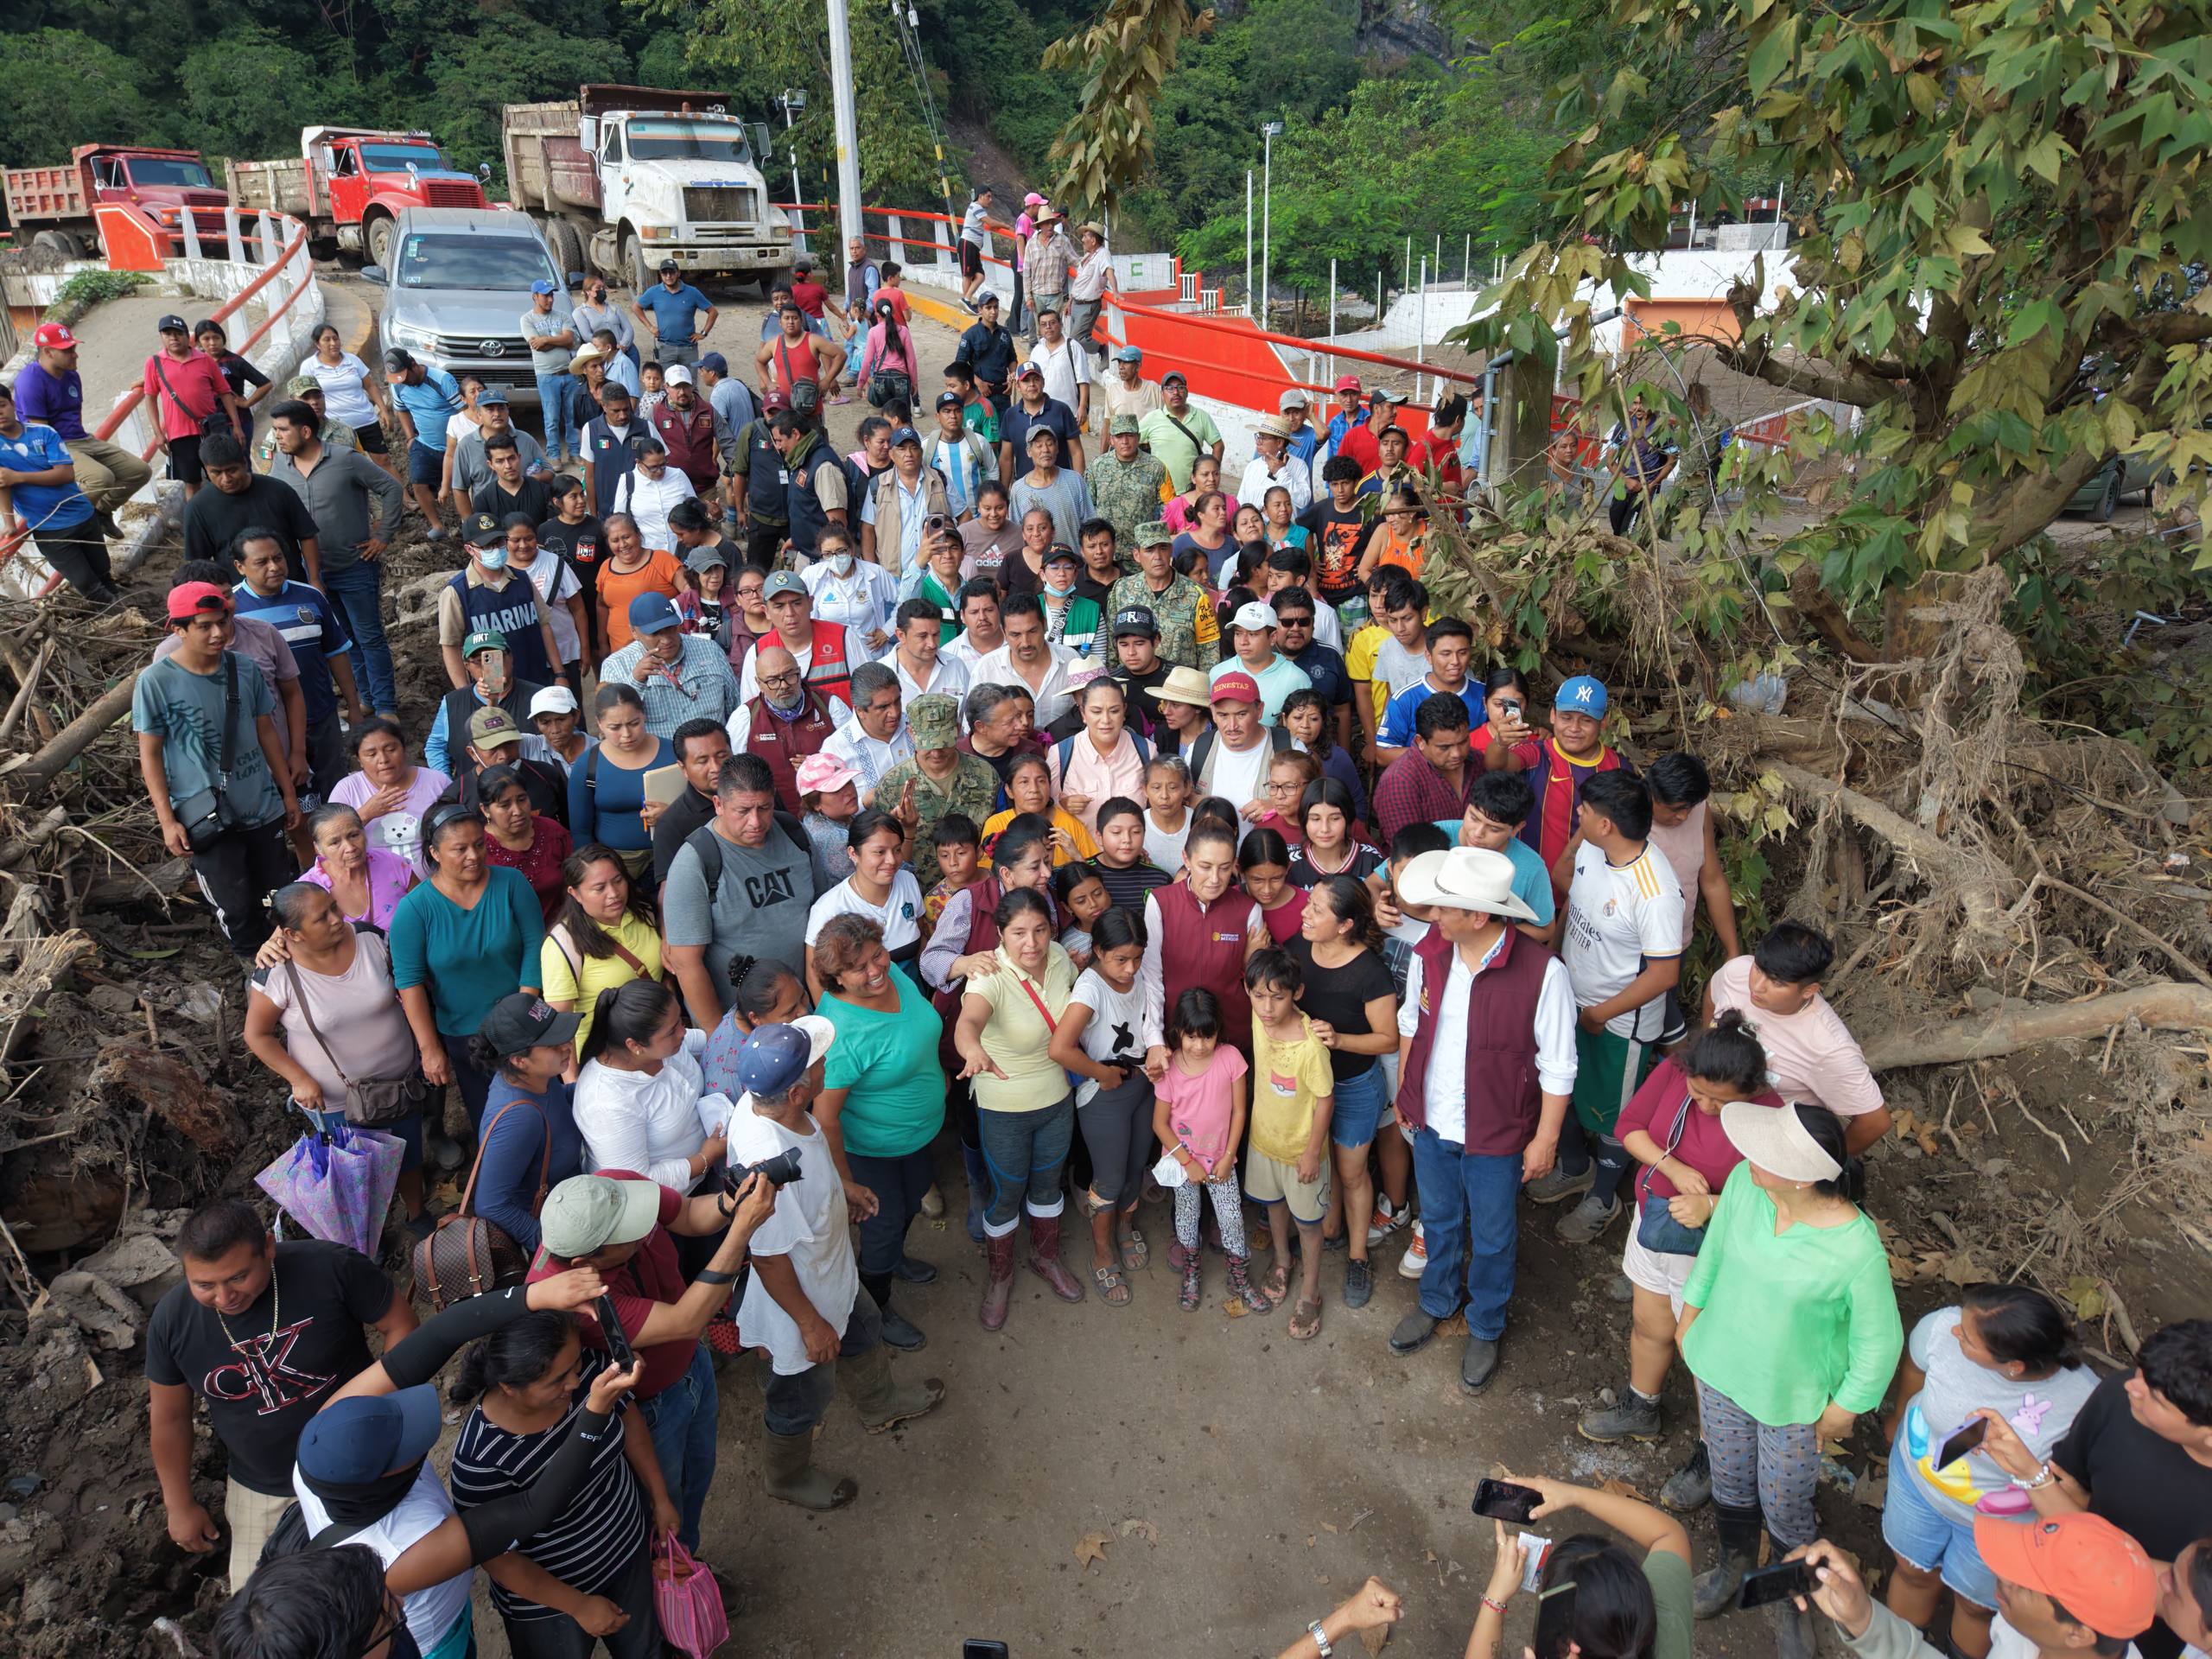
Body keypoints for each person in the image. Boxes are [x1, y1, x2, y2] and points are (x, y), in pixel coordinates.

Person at [1676, 1102, 1901, 1656]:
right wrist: (1689, 1316)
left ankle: (1788, 1595)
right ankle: (1731, 1568)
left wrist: (1846, 1407)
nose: (1749, 1157)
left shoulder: (1857, 1248)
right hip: (1722, 1370)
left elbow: (1881, 1342)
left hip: (1792, 1397)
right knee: (1730, 1479)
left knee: (1784, 1501)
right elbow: (1716, 1252)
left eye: (1766, 1154)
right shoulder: (1746, 1186)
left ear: (1804, 1175)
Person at [727, 1021, 948, 1506]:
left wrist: (839, 1189)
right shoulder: (769, 1166)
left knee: (863, 1324)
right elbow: (767, 1257)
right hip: (799, 1297)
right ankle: (785, 1476)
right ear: (798, 1090)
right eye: (820, 1061)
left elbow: (812, 1159)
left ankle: (880, 1404)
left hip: (831, 1270)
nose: (829, 1062)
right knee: (799, 1392)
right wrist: (809, 1323)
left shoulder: (763, 1101)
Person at [146, 1198, 417, 1592]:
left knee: (392, 1585)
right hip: (262, 1488)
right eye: (205, 1285)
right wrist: (179, 1504)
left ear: (268, 1250)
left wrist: (385, 1413)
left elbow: (401, 1326)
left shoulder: (329, 1268)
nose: (224, 1297)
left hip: (362, 1463)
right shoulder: (171, 1322)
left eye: (238, 1277)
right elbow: (169, 1419)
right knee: (259, 1610)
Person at [1387, 845, 1576, 1394]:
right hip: (1435, 1122)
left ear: (1478, 916)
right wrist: (1407, 1088)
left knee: (1493, 1236)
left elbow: (1559, 1065)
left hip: (1498, 1131)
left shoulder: (1544, 973)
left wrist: (1545, 1139)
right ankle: (1437, 1300)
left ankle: (1486, 1323)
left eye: (1445, 907)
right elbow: (1411, 1022)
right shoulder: (1429, 953)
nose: (1432, 915)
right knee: (1439, 1218)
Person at [527, 1169, 776, 1554]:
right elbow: (686, 1320)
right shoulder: (577, 1305)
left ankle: (688, 1559)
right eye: (629, 1232)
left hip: (692, 1361)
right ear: (583, 1263)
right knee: (664, 1504)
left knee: (698, 1476)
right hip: (652, 1406)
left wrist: (733, 1202)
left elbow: (689, 1213)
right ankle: (677, 1580)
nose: (645, 1227)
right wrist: (741, 1231)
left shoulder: (610, 1191)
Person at [1573, 1012, 1783, 1442]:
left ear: (1753, 1089)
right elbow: (1629, 1127)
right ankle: (1641, 1406)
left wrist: (1712, 1204)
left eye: (1722, 1103)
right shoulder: (1674, 1069)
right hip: (1656, 1221)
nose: (1707, 1107)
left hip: (1716, 1247)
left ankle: (1715, 1451)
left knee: (1707, 1350)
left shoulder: (1772, 1114)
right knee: (1650, 1324)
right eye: (1698, 1094)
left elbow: (1778, 1199)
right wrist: (1672, 1165)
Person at [1878, 1285, 2102, 1659]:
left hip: (1998, 1525)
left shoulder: (2085, 1403)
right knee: (1912, 1571)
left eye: (1967, 1338)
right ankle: (1896, 1650)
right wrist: (1900, 1416)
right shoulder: (1941, 1328)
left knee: (1977, 1606)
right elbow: (1915, 1368)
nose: (1955, 1331)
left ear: (2013, 1365)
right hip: (1919, 1488)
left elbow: (2080, 1490)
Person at [1974, 1318, 2212, 1659]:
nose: (2134, 1386)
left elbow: (2151, 1585)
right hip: (2061, 1610)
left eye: (2157, 1398)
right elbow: (2073, 1486)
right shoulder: (2121, 1399)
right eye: (2139, 1371)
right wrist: (2032, 1473)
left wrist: (2077, 1506)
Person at [447, 1310, 669, 1659]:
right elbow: (499, 1558)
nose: (575, 1383)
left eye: (576, 1366)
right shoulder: (480, 1460)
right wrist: (578, 1606)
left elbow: (630, 1422)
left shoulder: (589, 1373)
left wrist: (660, 1497)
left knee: (646, 1650)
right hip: (550, 1606)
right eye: (557, 1380)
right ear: (509, 1387)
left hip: (628, 1556)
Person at [1541, 770, 1686, 1243]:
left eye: (1585, 811)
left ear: (1608, 825)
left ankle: (1604, 1196)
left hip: (1619, 1022)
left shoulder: (1654, 891)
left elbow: (1663, 975)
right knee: (1560, 1084)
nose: (1577, 814)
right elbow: (1571, 891)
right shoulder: (1593, 844)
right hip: (1571, 996)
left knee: (1614, 1112)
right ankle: (1575, 1167)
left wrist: (1600, 1015)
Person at [246, 882, 433, 1222]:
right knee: (354, 1174)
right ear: (292, 934)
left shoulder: (370, 939)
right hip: (336, 1102)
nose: (337, 918)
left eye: (334, 907)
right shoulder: (276, 972)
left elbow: (411, 984)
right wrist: (298, 1079)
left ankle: (417, 1215)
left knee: (408, 1154)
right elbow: (257, 1035)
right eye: (323, 917)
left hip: (400, 1083)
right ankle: (366, 1236)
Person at [134, 582, 301, 958]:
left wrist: (286, 792)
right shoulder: (156, 682)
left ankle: (294, 970)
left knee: (278, 896)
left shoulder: (244, 669)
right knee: (236, 905)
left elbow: (266, 731)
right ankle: (253, 969)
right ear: (178, 630)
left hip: (260, 803)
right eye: (204, 625)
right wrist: (166, 820)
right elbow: (151, 756)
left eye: (222, 622)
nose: (218, 633)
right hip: (205, 818)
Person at [952, 885, 1090, 1325]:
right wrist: (971, 1048)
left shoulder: (1061, 960)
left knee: (1048, 1185)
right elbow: (969, 1020)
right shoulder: (988, 975)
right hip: (1005, 1106)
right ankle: (1000, 1275)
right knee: (1008, 1193)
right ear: (1000, 935)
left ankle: (1045, 1259)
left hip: (1056, 1099)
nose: (1031, 943)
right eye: (1018, 933)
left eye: (1040, 930)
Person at [810, 912, 945, 1348]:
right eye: (859, 967)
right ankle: (875, 1304)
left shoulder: (893, 981)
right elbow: (826, 1116)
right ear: (836, 980)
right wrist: (845, 1182)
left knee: (910, 1202)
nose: (875, 970)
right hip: (874, 1148)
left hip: (918, 1132)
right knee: (882, 1226)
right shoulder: (842, 1032)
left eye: (878, 955)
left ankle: (892, 1261)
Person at [390, 805, 547, 1133]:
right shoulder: (414, 909)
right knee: (494, 1124)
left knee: (546, 1108)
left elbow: (535, 945)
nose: (473, 855)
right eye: (459, 849)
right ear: (434, 852)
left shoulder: (511, 883)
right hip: (467, 1035)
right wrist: (430, 1048)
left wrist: (524, 1010)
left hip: (526, 1021)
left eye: (479, 844)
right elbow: (410, 984)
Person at [1284, 874, 1398, 1309]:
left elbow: (1388, 1038)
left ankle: (1357, 1254)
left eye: (1316, 909)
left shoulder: (1370, 972)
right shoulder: (1298, 947)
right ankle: (1328, 1230)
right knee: (1321, 1160)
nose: (1304, 913)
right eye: (1308, 904)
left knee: (1352, 1172)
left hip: (1352, 1085)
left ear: (1346, 924)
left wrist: (1341, 1040)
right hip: (1308, 1087)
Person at [1702, 922, 1895, 1155]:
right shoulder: (1737, 971)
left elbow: (1875, 1122)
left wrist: (1821, 1169)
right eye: (1759, 969)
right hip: (1709, 1108)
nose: (1757, 986)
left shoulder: (1829, 1049)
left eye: (1777, 982)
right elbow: (1713, 994)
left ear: (1808, 990)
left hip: (1767, 1144)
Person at [1046, 905, 1153, 1303]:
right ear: (1099, 951)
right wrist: (1101, 1073)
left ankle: (1125, 1227)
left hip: (1142, 1084)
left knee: (1136, 1164)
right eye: (1121, 959)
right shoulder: (1091, 986)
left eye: (1137, 957)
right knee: (1108, 1178)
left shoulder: (1139, 973)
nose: (1130, 968)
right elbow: (1060, 1048)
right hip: (1105, 1092)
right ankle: (1103, 1253)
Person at [1465, 1474, 1696, 1659]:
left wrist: (1495, 1598)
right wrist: (1575, 1496)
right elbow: (1669, 1534)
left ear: (1569, 1646)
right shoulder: (1669, 1623)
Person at [663, 753, 820, 1023]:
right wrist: (718, 1037)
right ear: (718, 805)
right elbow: (686, 963)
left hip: (806, 1006)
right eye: (743, 811)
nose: (756, 822)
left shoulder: (794, 833)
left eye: (764, 808)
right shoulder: (696, 861)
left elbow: (823, 912)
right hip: (742, 1022)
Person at [266, 399, 402, 711]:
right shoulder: (278, 467)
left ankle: (386, 707)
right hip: (308, 574)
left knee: (370, 638)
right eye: (275, 430)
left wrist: (382, 537)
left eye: (282, 430)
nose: (278, 437)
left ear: (305, 430)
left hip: (355, 566)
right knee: (342, 640)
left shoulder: (346, 459)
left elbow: (392, 488)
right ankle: (365, 698)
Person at [1153, 987, 1271, 1313]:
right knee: (1187, 1218)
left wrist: (1228, 1156)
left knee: (1232, 1219)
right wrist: (1187, 1162)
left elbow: (1239, 1111)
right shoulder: (1170, 1069)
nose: (1199, 1045)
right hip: (1184, 1164)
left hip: (1221, 1161)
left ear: (1219, 1030)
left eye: (1207, 1037)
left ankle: (1239, 1277)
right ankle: (1191, 1270)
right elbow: (1160, 1124)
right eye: (1191, 1037)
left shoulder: (1230, 1058)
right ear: (1178, 1032)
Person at [1243, 949, 1338, 1339]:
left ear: (1296, 993)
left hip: (1302, 1153)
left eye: (1278, 996)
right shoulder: (1258, 1015)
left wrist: (1313, 1152)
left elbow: (1325, 1100)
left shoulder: (1312, 1047)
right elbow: (1254, 972)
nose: (1266, 1007)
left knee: (1309, 1224)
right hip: (1263, 1141)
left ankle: (1310, 1292)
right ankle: (1282, 1260)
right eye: (1259, 995)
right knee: (1274, 1206)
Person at [464, 995, 587, 1256]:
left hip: (578, 1200)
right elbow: (491, 1204)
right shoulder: (518, 1118)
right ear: (520, 1060)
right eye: (554, 1044)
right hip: (562, 1230)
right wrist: (552, 1246)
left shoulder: (536, 1077)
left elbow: (558, 1102)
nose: (567, 1046)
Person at [1141, 817, 1268, 1062]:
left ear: (1234, 865)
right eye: (1205, 866)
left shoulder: (1249, 910)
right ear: (1186, 860)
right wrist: (1155, 1039)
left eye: (1224, 867)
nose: (1215, 878)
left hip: (1233, 1038)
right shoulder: (1160, 902)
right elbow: (1151, 977)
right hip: (1177, 1036)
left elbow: (1258, 981)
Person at [14, 321, 151, 521]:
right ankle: (65, 520)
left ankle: (101, 512)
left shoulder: (71, 375)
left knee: (139, 471)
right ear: (48, 352)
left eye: (74, 348)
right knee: (100, 478)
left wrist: (88, 445)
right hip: (55, 443)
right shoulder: (30, 381)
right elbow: (39, 433)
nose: (75, 354)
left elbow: (75, 414)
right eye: (67, 350)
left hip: (82, 438)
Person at [0, 378, 116, 601]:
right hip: (49, 528)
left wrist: (19, 477)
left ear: (12, 404)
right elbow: (3, 484)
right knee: (86, 583)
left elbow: (65, 474)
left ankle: (126, 617)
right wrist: (9, 524)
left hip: (82, 514)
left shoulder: (44, 433)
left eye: (2, 405)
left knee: (103, 574)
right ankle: (123, 615)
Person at [1521, 673, 1631, 892]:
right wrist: (1500, 742)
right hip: (1530, 891)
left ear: (1604, 722)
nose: (1574, 728)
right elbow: (1499, 763)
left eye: (1586, 720)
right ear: (1552, 715)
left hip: (1589, 893)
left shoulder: (1620, 768)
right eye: (1566, 717)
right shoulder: (1537, 753)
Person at [596, 590, 743, 741]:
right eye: (655, 633)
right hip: (660, 762)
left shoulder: (710, 650)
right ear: (634, 632)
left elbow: (735, 706)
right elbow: (614, 729)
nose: (666, 640)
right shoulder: (616, 666)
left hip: (714, 754)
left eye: (671, 629)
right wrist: (635, 682)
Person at [805, 810, 925, 994]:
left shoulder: (908, 881)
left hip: (915, 1000)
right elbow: (815, 978)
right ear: (853, 853)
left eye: (897, 850)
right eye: (879, 852)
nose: (892, 860)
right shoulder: (828, 909)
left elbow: (921, 939)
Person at [181, 432, 321, 586]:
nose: (226, 479)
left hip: (292, 586)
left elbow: (307, 536)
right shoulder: (198, 507)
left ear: (244, 463)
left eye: (232, 470)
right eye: (216, 472)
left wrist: (314, 580)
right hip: (239, 598)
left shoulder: (279, 491)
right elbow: (199, 563)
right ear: (206, 470)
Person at [567, 683, 675, 875]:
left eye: (634, 723)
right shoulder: (588, 764)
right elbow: (580, 830)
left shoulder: (674, 753)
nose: (626, 735)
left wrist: (673, 814)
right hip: (616, 866)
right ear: (599, 724)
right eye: (615, 727)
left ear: (644, 715)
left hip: (672, 855)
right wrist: (592, 872)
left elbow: (703, 805)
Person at [331, 718, 449, 876]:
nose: (383, 760)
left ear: (404, 748)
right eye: (371, 754)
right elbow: (328, 842)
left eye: (391, 749)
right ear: (359, 760)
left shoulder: (437, 782)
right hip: (372, 890)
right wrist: (366, 814)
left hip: (436, 885)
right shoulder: (347, 789)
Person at [143, 312, 245, 496]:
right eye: (168, 334)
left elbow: (225, 392)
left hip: (212, 428)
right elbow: (149, 398)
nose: (173, 338)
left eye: (178, 333)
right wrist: (158, 433)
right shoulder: (154, 363)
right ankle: (198, 522)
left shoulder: (205, 359)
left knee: (225, 475)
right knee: (192, 483)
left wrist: (236, 426)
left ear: (186, 335)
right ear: (161, 337)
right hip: (179, 434)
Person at [1373, 692, 1481, 849]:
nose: (1457, 753)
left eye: (1463, 742)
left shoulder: (1477, 761)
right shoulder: (1399, 781)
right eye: (1444, 747)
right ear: (1420, 741)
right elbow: (1408, 853)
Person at [1047, 676, 1149, 836]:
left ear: (1124, 711)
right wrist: (1062, 804)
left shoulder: (1146, 751)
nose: (1106, 720)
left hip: (1132, 856)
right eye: (1096, 711)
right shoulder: (1060, 754)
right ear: (1083, 713)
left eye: (1114, 711)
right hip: (1078, 857)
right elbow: (1047, 810)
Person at [1375, 618, 1481, 763]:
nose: (1455, 661)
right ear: (1429, 656)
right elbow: (1382, 753)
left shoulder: (1486, 695)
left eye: (1462, 653)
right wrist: (1432, 755)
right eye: (1446, 654)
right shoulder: (1405, 699)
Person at [298, 802, 414, 931]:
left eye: (354, 835)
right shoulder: (306, 889)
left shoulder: (392, 863)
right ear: (318, 848)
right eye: (335, 842)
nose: (350, 848)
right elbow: (284, 938)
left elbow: (429, 907)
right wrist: (272, 944)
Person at [302, 321, 393, 470]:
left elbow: (370, 385)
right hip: (336, 428)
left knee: (383, 461)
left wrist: (383, 410)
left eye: (335, 338)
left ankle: (401, 494)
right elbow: (304, 396)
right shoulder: (309, 366)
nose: (333, 343)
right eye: (327, 340)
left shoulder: (353, 360)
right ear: (317, 344)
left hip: (366, 420)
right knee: (345, 467)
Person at [982, 751, 1099, 867]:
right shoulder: (996, 825)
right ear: (1009, 791)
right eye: (1024, 782)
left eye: (1041, 781)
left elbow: (1095, 869)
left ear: (1049, 786)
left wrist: (1077, 856)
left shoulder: (1069, 825)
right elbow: (988, 875)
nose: (1034, 789)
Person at [1209, 600, 1313, 724]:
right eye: (1238, 633)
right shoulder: (1218, 673)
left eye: (1252, 634)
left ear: (1273, 637)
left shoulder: (1297, 679)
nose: (1243, 641)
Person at [1086, 413, 1169, 554]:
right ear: (1111, 440)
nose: (1125, 441)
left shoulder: (1156, 468)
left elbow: (1167, 509)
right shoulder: (1097, 466)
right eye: (1119, 436)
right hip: (1105, 552)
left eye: (1130, 435)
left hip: (1142, 550)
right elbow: (1088, 506)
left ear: (1138, 437)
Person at [999, 359, 1084, 484]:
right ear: (1017, 385)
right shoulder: (1010, 415)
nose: (1032, 384)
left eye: (1036, 379)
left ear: (1043, 382)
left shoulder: (1061, 410)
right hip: (1026, 491)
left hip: (1061, 487)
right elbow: (1006, 458)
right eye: (1026, 381)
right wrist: (1004, 493)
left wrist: (1079, 486)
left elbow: (1076, 452)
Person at [1140, 371, 1225, 492]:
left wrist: (1211, 473)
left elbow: (1218, 445)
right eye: (1170, 388)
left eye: (1180, 388)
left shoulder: (1201, 417)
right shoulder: (1152, 418)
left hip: (1192, 491)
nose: (1176, 392)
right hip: (1160, 492)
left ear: (1187, 392)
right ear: (1162, 394)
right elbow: (1131, 442)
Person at [631, 261, 717, 371]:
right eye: (664, 273)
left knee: (690, 384)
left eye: (671, 272)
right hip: (666, 348)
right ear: (660, 274)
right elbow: (636, 307)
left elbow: (713, 312)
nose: (668, 276)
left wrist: (704, 333)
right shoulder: (654, 292)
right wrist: (650, 327)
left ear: (678, 273)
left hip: (688, 348)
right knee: (667, 384)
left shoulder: (692, 292)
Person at [1239, 414, 1314, 516]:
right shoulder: (1252, 466)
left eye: (1264, 438)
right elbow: (1241, 502)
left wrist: (1281, 472)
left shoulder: (1299, 466)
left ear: (1279, 442)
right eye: (1259, 436)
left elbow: (1303, 500)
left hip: (1284, 529)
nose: (1258, 442)